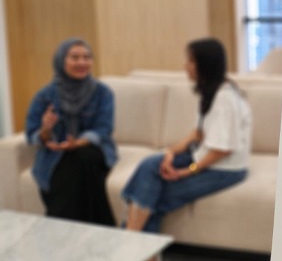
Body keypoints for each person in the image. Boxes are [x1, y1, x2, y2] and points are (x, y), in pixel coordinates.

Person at [122, 38, 251, 233]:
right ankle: (132, 240)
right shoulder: (210, 91)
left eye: (190, 61)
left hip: (225, 169)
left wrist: (188, 171)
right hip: (204, 156)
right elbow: (198, 134)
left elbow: (222, 150)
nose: (185, 66)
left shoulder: (225, 99)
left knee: (152, 193)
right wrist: (170, 153)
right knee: (149, 166)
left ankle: (130, 238)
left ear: (205, 65)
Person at [25, 38, 117, 226]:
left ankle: (57, 227)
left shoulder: (102, 93)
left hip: (92, 150)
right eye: (75, 57)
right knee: (70, 164)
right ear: (61, 61)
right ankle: (98, 229)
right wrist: (46, 130)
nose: (82, 62)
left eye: (87, 57)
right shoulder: (44, 96)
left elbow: (103, 129)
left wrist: (78, 142)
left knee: (80, 156)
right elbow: (32, 134)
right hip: (55, 154)